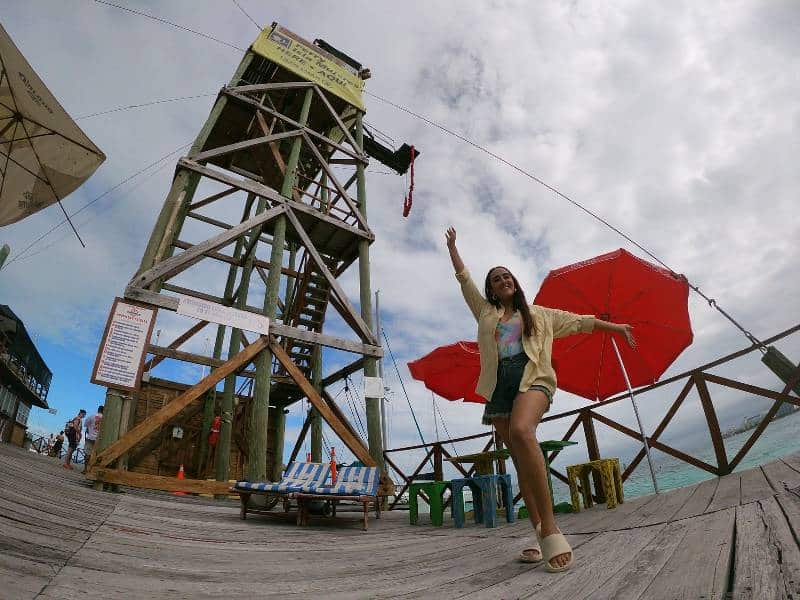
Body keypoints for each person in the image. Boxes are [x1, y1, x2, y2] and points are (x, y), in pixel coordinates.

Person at [445, 227, 635, 573]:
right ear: (491, 289)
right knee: (520, 461)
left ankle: (550, 526)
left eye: (506, 276)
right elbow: (463, 280)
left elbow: (580, 322)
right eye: (496, 279)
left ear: (515, 282)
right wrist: (453, 248)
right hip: (499, 385)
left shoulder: (539, 314)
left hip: (533, 377)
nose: (503, 280)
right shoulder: (485, 313)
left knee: (522, 430)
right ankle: (538, 533)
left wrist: (616, 328)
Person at [82, 405, 104, 474]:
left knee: (87, 453)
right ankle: (92, 470)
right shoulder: (105, 418)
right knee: (96, 455)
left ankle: (85, 469)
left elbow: (85, 425)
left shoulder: (91, 416)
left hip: (90, 437)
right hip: (99, 439)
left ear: (98, 410)